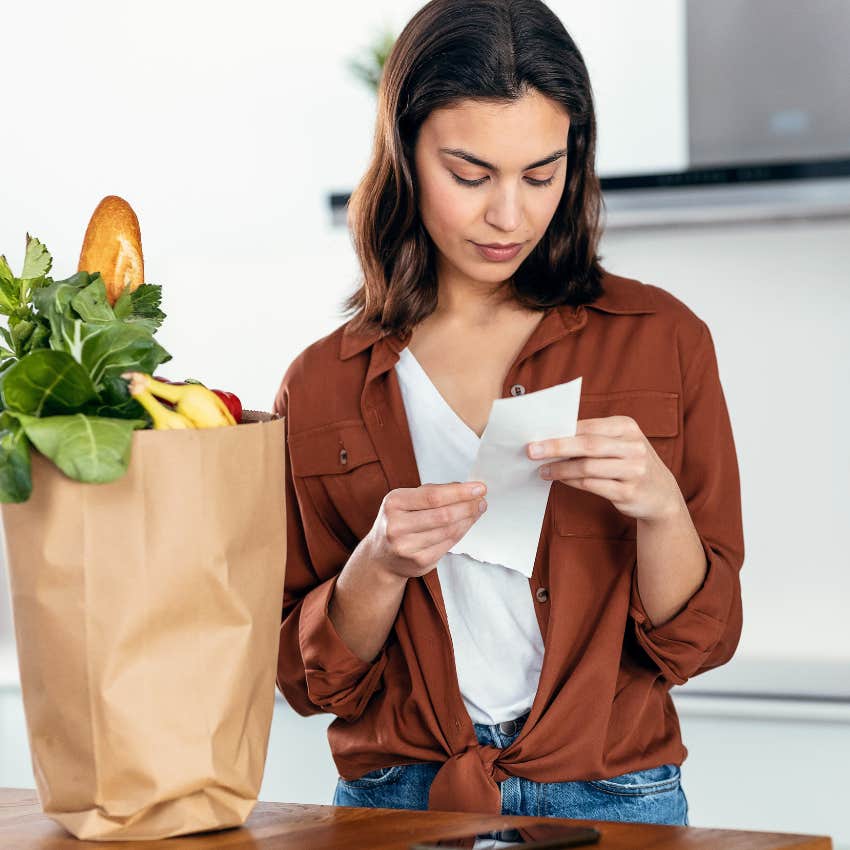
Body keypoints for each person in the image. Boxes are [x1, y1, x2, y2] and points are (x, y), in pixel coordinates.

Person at [272, 0, 744, 829]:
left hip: (617, 794)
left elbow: (695, 645)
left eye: (540, 174)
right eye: (470, 174)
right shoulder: (319, 385)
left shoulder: (664, 341)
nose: (510, 216)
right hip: (398, 801)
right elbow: (311, 683)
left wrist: (662, 509)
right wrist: (378, 564)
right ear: (406, 154)